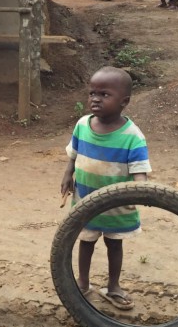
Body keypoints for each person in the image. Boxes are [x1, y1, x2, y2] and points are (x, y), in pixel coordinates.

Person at [60, 66, 151, 311]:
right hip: (86, 200)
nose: (96, 99)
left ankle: (113, 286)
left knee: (114, 244)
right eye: (92, 93)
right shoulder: (82, 125)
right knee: (86, 241)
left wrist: (143, 190)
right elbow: (74, 154)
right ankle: (82, 283)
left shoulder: (132, 136)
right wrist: (68, 173)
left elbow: (140, 170)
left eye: (104, 94)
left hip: (116, 205)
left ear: (124, 102)